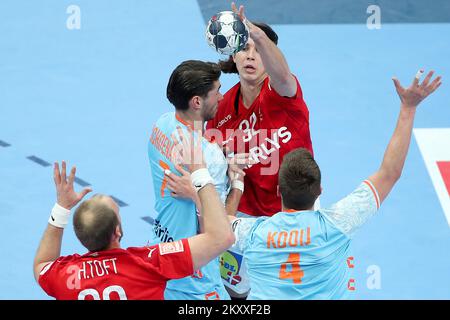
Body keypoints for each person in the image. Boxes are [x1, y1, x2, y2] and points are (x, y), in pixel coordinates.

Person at [226, 70, 441, 299]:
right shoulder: (339, 223)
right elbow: (390, 173)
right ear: (319, 191)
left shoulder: (253, 234)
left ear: (279, 191)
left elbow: (217, 226)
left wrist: (231, 186)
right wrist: (408, 108)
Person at [33, 130, 235, 300]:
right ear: (117, 232)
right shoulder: (146, 263)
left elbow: (41, 265)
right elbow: (221, 238)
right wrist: (199, 172)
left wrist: (61, 208)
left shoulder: (68, 275)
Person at [204, 2, 314, 298]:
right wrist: (225, 161)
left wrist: (259, 36)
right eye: (244, 48)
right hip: (245, 218)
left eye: (259, 50)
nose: (251, 55)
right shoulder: (221, 109)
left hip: (294, 213)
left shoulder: (283, 93)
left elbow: (282, 73)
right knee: (236, 290)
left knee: (291, 291)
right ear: (234, 55)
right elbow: (214, 166)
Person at [147, 60, 246, 300]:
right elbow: (218, 228)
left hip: (161, 250)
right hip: (196, 276)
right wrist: (236, 184)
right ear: (197, 101)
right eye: (217, 91)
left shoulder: (162, 123)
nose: (222, 97)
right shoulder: (208, 158)